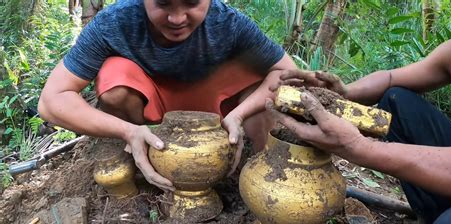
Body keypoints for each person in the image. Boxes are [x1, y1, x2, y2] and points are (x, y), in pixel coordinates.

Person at [265, 1, 451, 224]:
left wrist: (361, 148)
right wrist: (344, 94)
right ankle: (440, 220)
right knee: (398, 101)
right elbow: (389, 79)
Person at [38, 0, 296, 191]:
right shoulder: (115, 22)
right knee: (114, 78)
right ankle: (140, 152)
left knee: (266, 84)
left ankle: (260, 166)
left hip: (215, 109)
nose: (177, 18)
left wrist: (238, 114)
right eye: (163, 3)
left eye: (192, 3)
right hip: (152, 112)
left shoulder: (228, 22)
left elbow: (288, 72)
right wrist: (127, 131)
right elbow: (52, 101)